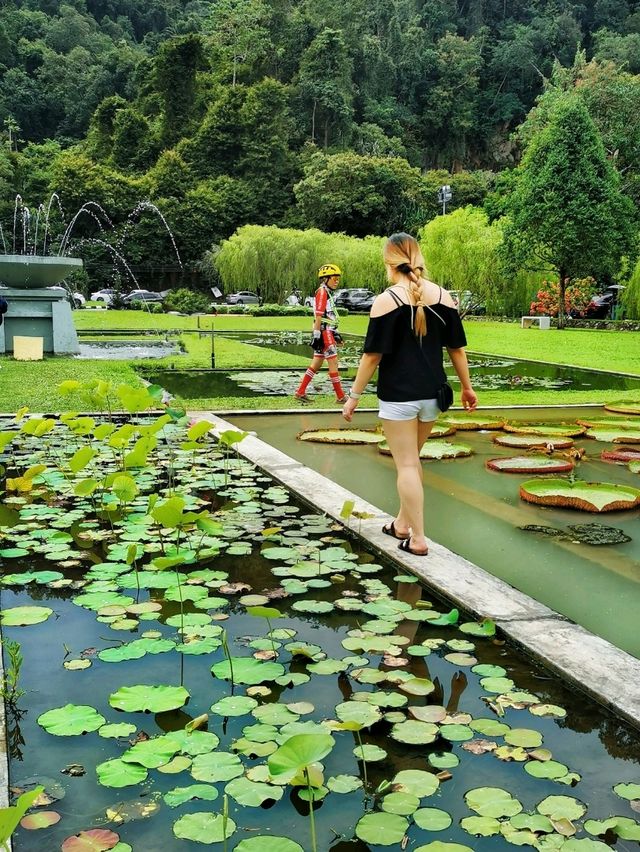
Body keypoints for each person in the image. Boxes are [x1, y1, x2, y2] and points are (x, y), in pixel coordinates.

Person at [342, 232, 478, 556]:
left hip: (399, 396)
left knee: (405, 465)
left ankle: (417, 538)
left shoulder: (386, 300)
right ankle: (402, 525)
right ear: (418, 259)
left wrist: (353, 396)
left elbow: (372, 357)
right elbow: (457, 350)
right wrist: (468, 389)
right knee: (412, 461)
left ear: (389, 263)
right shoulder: (444, 297)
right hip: (433, 395)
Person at [294, 263, 347, 403]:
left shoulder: (326, 292)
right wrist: (317, 335)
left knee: (316, 363)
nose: (337, 281)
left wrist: (335, 333)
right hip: (325, 333)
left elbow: (326, 316)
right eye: (334, 278)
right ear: (325, 279)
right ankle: (341, 396)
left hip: (327, 331)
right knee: (333, 363)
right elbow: (318, 316)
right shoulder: (322, 292)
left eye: (338, 278)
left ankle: (300, 392)